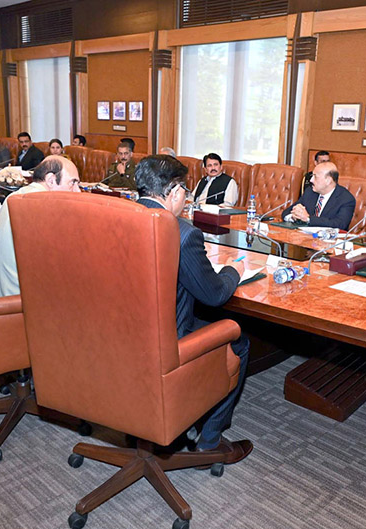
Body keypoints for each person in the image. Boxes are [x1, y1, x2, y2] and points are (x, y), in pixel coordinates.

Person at [135, 154, 252, 463]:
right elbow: (214, 296)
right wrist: (232, 270)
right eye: (184, 191)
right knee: (238, 338)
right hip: (166, 343)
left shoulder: (118, 217)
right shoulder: (183, 234)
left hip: (122, 334)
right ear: (175, 193)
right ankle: (210, 440)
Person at [0, 156, 80, 298]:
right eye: (73, 183)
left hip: (3, 295)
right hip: (22, 306)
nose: (77, 191)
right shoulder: (43, 205)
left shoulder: (13, 197)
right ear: (51, 180)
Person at [282, 161, 356, 230]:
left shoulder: (346, 199)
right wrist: (294, 216)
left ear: (328, 180)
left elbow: (340, 224)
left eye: (315, 177)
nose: (311, 180)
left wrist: (308, 219)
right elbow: (287, 212)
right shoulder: (310, 192)